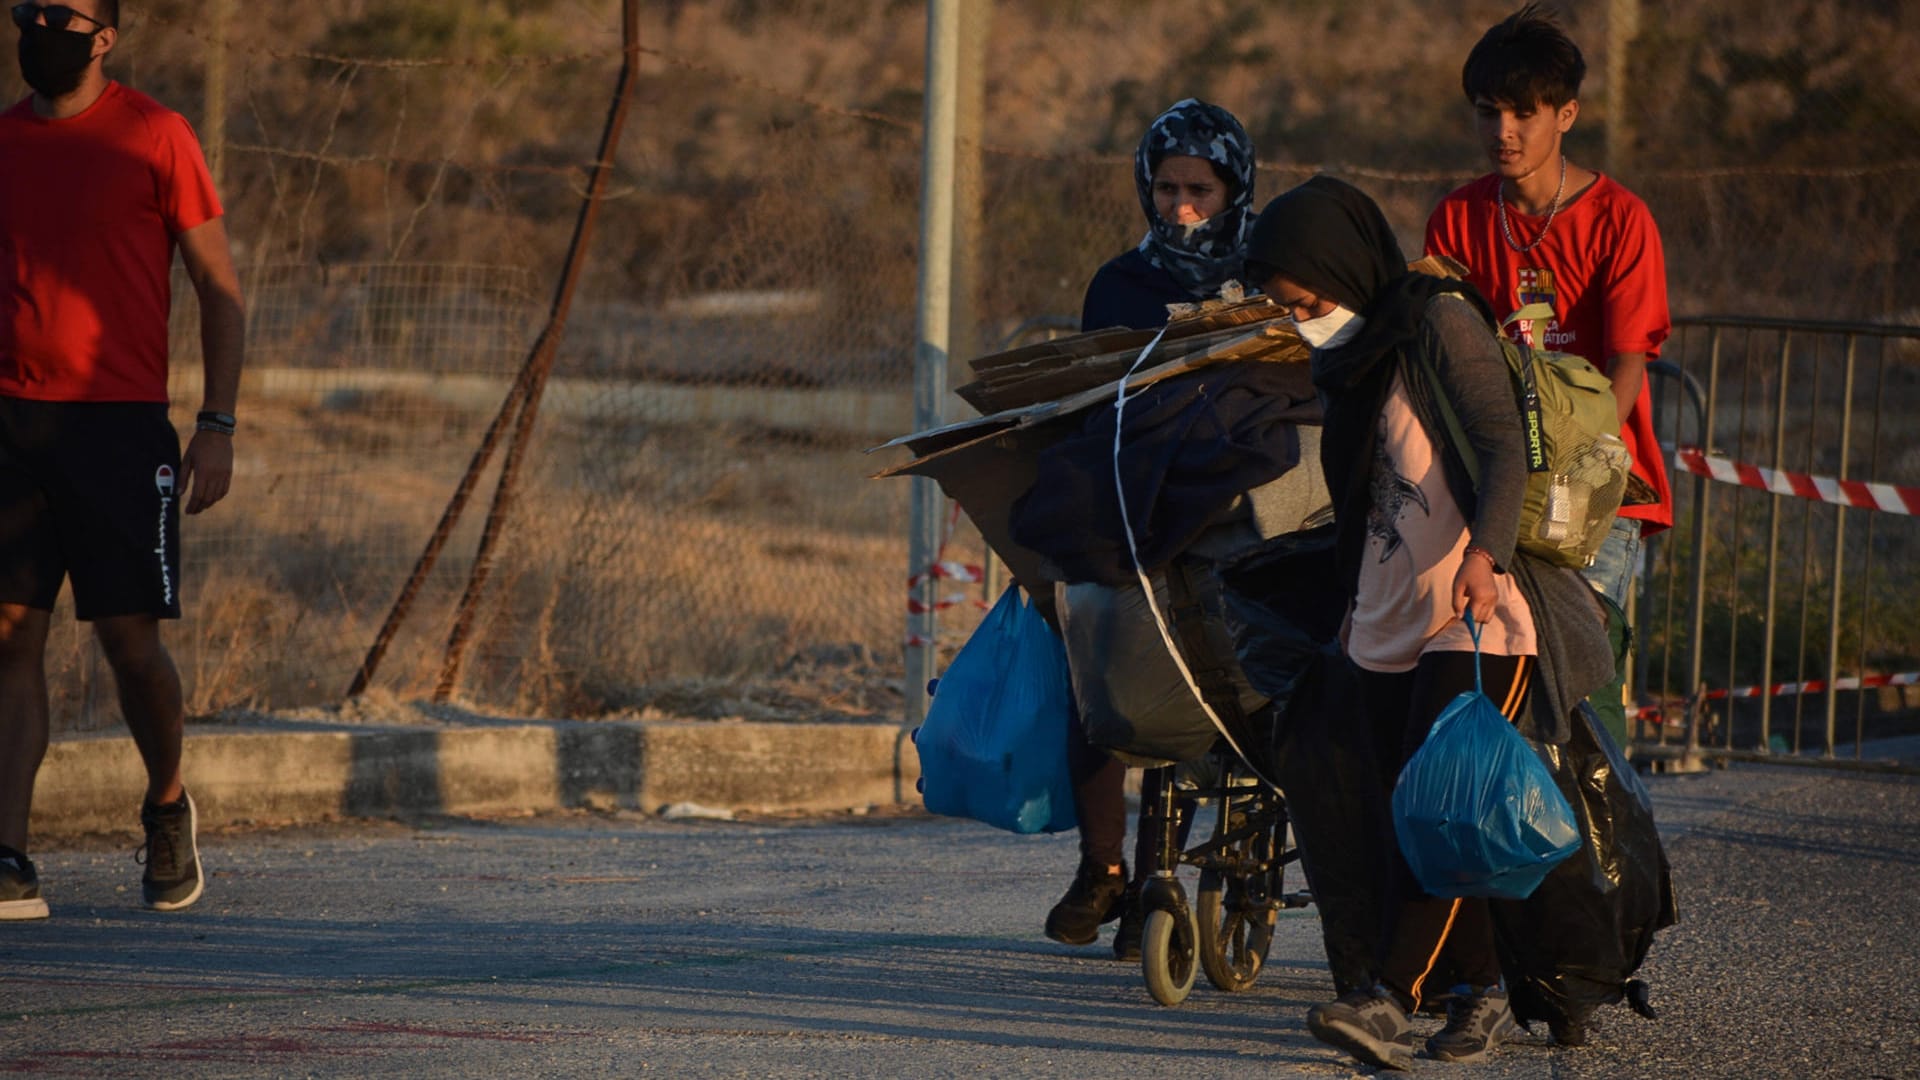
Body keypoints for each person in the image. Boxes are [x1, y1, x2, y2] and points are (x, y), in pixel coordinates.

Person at [1243, 175, 1609, 1068]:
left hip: (1480, 608)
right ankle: (1475, 994)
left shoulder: (1437, 320)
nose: (1303, 321)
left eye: (1311, 301)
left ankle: (1385, 1001)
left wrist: (1484, 558)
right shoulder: (1351, 354)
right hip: (1384, 614)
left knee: (1440, 804)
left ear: (1344, 268)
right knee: (1415, 815)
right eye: (1287, 309)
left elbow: (1500, 448)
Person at [0, 0, 245, 921]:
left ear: (105, 35)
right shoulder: (5, 141)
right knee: (10, 633)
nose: (36, 29)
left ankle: (168, 802)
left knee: (128, 643)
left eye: (58, 16)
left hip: (119, 428)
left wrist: (216, 425)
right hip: (12, 425)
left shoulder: (156, 133)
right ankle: (10, 856)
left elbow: (220, 293)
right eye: (25, 12)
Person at [1424, 3, 1672, 750]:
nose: (1503, 131)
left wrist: (1571, 467)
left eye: (1523, 113)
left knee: (1581, 666)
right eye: (1487, 112)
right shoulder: (1458, 219)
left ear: (1566, 114)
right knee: (1486, 660)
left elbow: (1628, 361)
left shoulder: (1621, 219)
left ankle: (1607, 850)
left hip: (1595, 488)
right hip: (1493, 478)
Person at [1044, 98, 1256, 960]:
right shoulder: (1119, 283)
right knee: (1094, 663)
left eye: (1199, 190)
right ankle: (1103, 868)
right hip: (1134, 508)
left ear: (1234, 189)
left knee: (1214, 685)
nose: (1181, 209)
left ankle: (1158, 871)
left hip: (1232, 516)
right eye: (1166, 189)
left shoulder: (1268, 278)